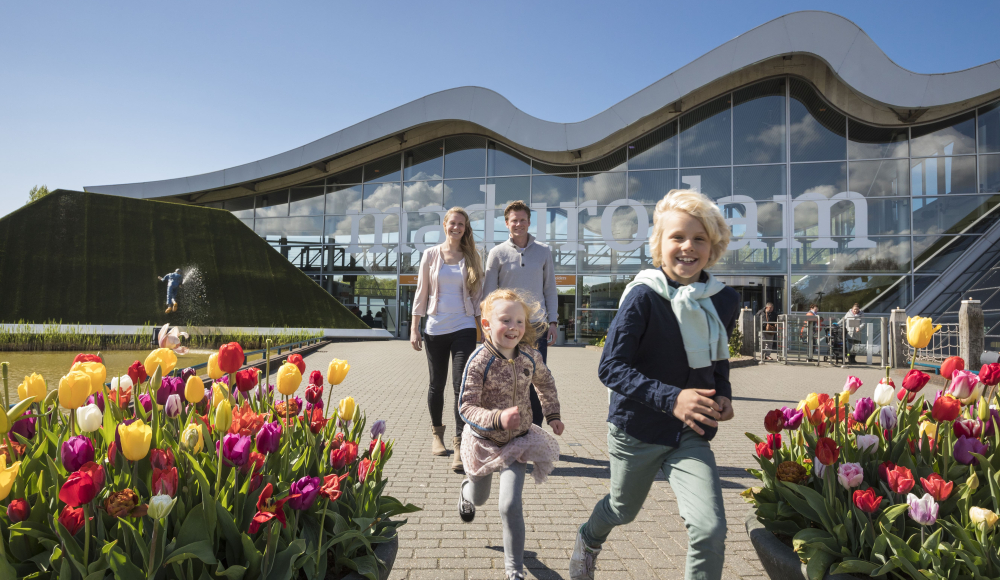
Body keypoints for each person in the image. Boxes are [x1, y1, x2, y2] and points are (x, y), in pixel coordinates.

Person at [570, 189, 739, 580]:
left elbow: (718, 358)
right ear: (658, 244)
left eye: (699, 238)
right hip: (637, 430)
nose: (688, 247)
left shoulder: (723, 299)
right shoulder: (644, 297)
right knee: (622, 509)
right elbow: (610, 367)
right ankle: (589, 539)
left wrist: (724, 393)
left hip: (691, 432)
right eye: (677, 236)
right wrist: (673, 397)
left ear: (712, 246)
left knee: (710, 529)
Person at [457, 288, 565, 580]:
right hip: (483, 441)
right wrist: (496, 418)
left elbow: (545, 381)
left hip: (517, 442)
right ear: (487, 325)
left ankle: (513, 570)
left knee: (509, 504)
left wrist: (552, 413)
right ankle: (466, 493)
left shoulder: (530, 356)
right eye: (506, 320)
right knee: (480, 498)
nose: (514, 327)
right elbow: (465, 407)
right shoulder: (479, 361)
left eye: (519, 321)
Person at [411, 207, 484, 472]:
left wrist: (481, 327)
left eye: (461, 224)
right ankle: (436, 435)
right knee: (436, 384)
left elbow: (477, 298)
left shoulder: (472, 257)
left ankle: (460, 444)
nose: (456, 228)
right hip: (434, 328)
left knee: (461, 386)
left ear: (466, 228)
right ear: (444, 225)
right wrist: (414, 327)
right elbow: (422, 291)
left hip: (464, 326)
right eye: (452, 223)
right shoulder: (431, 254)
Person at [483, 200, 558, 427]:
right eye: (514, 220)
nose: (518, 224)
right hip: (505, 327)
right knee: (504, 379)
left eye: (522, 220)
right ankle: (505, 430)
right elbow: (489, 295)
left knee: (535, 378)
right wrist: (488, 327)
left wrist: (553, 321)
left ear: (529, 221)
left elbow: (550, 289)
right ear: (507, 223)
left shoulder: (544, 252)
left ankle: (534, 432)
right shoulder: (496, 253)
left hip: (535, 326)